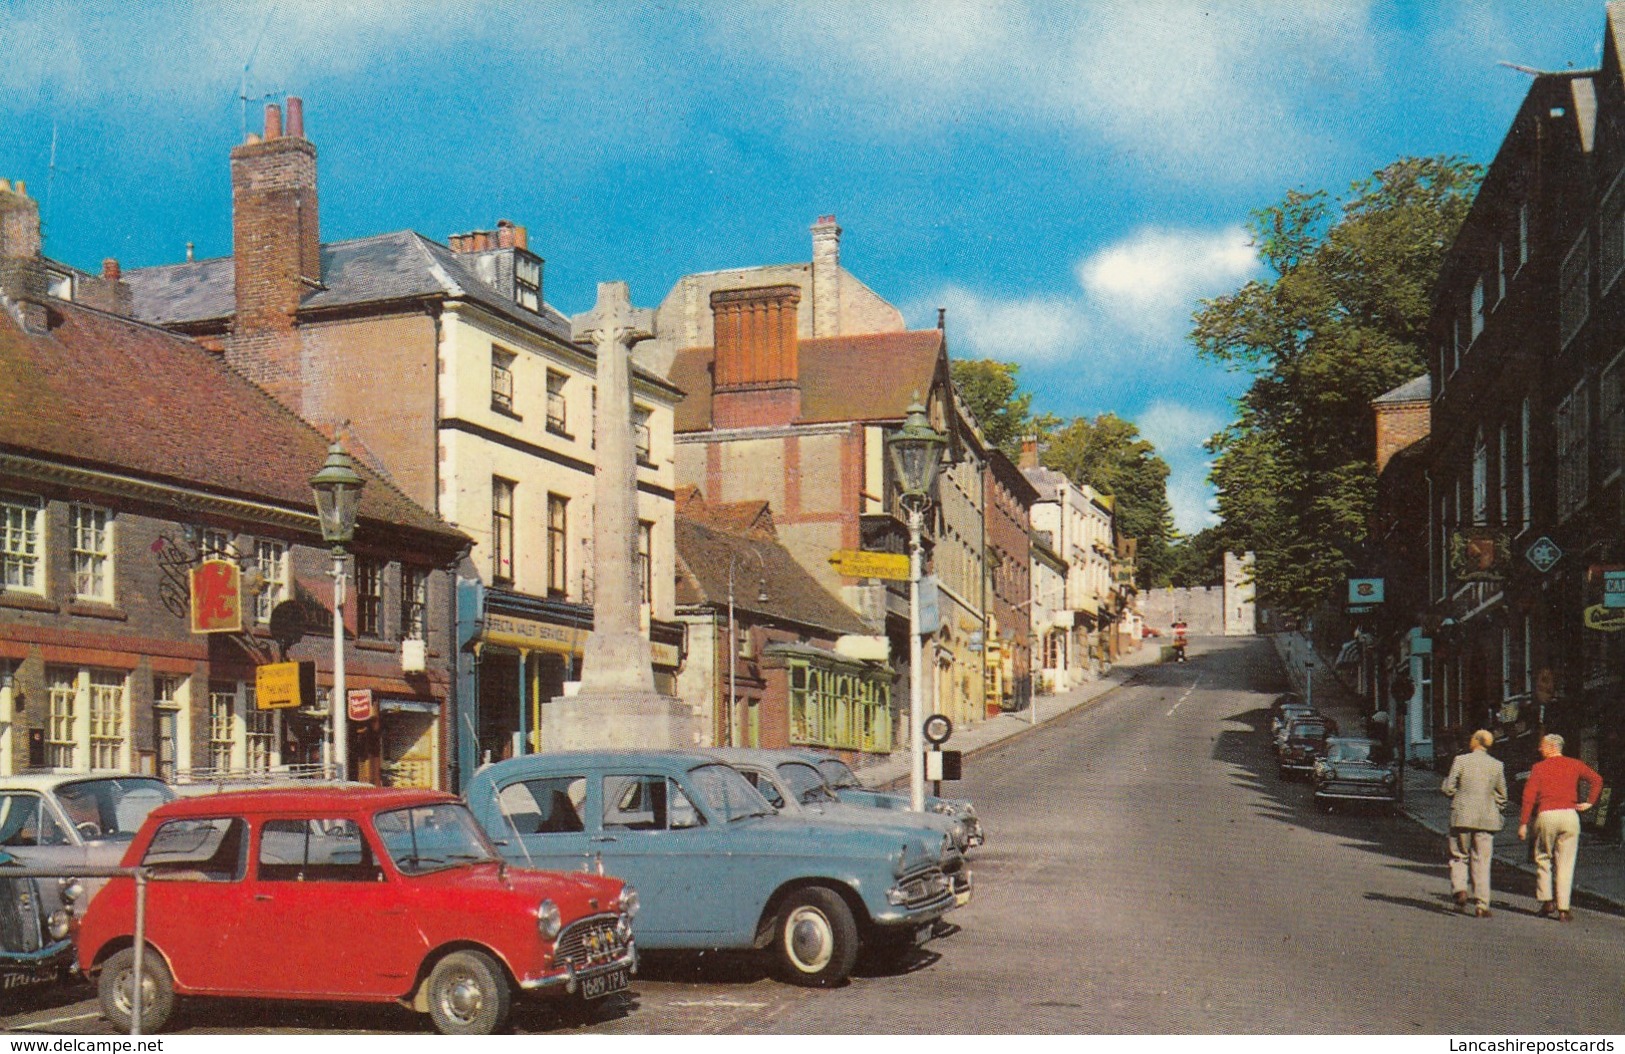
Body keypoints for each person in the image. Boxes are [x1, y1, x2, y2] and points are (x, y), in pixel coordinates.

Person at [1518, 733, 1604, 921]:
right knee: (1566, 863)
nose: (1539, 749)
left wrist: (1524, 823)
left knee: (1543, 858)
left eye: (1542, 746)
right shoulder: (1574, 764)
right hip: (1570, 816)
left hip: (1547, 815)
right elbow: (1597, 780)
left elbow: (1528, 797)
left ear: (1551, 747)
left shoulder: (1539, 768)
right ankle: (1564, 908)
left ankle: (1547, 900)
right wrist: (1589, 803)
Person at [1441, 729, 1507, 918]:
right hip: (1487, 819)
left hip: (1462, 816)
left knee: (1459, 856)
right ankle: (1481, 905)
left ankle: (1460, 890)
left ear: (1476, 741)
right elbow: (1502, 796)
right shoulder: (1497, 765)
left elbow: (1449, 788)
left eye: (1471, 738)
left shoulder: (1460, 761)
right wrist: (1495, 807)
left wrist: (1447, 785)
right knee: (1482, 861)